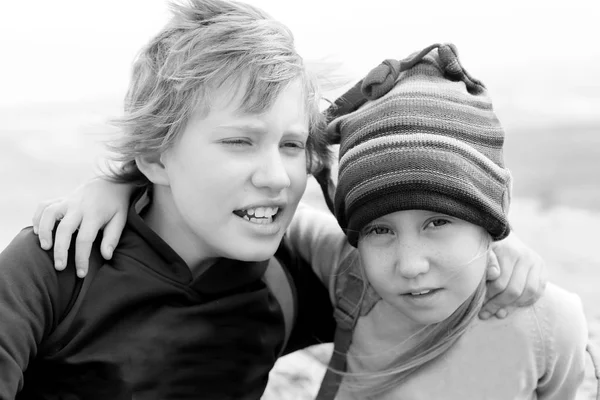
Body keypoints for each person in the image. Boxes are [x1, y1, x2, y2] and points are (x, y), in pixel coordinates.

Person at [14, 3, 546, 400]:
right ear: (155, 156)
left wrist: (494, 230)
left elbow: (413, 224)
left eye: (292, 145)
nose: (275, 177)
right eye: (239, 141)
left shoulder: (288, 275)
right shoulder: (56, 263)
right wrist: (118, 182)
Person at [284, 43, 589, 399]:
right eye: (379, 229)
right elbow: (278, 216)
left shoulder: (549, 323)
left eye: (438, 222)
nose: (411, 265)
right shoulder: (351, 271)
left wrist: (499, 234)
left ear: (488, 216)